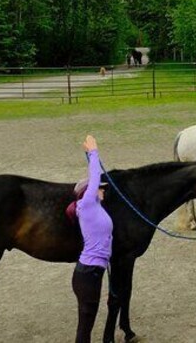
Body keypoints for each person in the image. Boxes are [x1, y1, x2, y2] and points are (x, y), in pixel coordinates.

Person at [72, 135, 113, 343]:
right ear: (87, 193)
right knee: (85, 328)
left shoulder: (96, 208)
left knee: (87, 324)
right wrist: (93, 152)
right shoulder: (87, 204)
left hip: (91, 273)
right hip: (88, 274)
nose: (103, 188)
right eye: (100, 187)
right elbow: (95, 176)